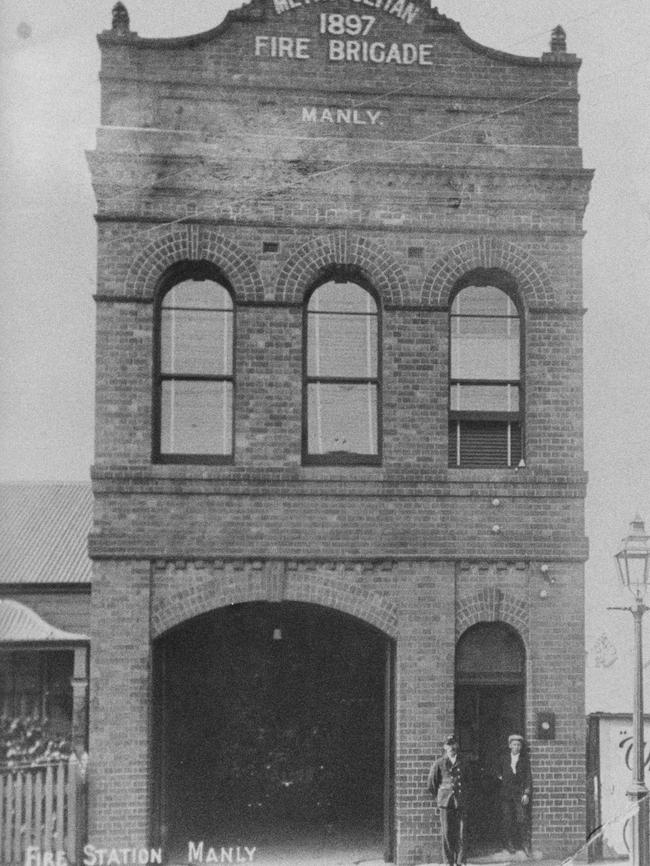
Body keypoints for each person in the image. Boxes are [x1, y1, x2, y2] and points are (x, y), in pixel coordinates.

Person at [427, 735, 467, 866]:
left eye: (453, 745)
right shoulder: (439, 763)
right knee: (447, 833)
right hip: (446, 803)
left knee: (462, 832)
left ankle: (460, 861)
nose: (451, 748)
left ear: (457, 747)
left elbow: (470, 782)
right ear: (445, 747)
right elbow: (432, 784)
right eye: (448, 745)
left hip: (461, 801)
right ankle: (448, 862)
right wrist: (441, 797)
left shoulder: (464, 762)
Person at [498, 733, 532, 857]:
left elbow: (528, 778)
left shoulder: (524, 760)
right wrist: (503, 780)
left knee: (521, 819)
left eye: (518, 745)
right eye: (514, 745)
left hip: (519, 794)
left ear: (521, 747)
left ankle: (525, 844)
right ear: (510, 746)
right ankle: (508, 844)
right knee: (507, 819)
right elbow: (498, 773)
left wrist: (526, 793)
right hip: (506, 795)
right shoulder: (503, 758)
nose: (516, 747)